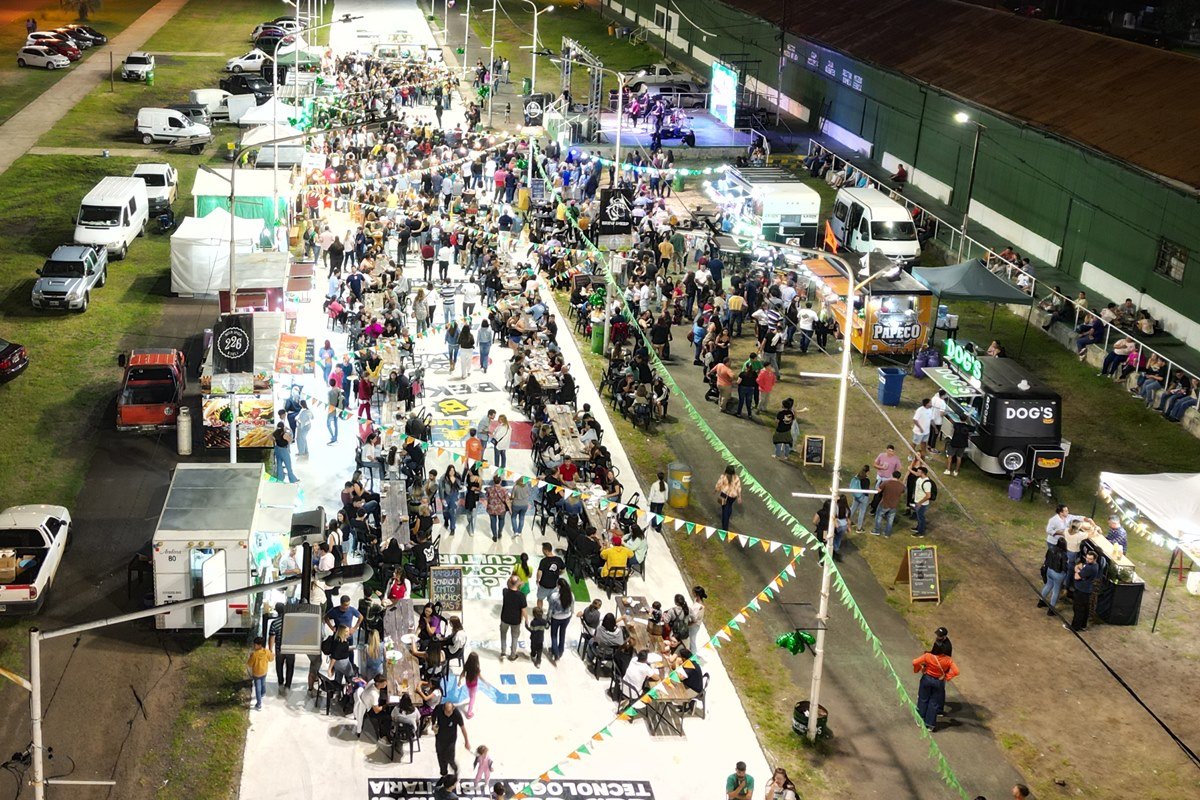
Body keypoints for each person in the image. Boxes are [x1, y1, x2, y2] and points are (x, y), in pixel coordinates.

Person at [913, 640, 958, 731]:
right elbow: (956, 671)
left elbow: (915, 662)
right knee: (934, 703)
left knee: (923, 699)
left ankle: (920, 718)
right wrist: (947, 677)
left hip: (927, 679)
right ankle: (930, 724)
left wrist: (918, 669)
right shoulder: (948, 660)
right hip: (938, 681)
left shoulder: (928, 656)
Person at [434, 700, 471, 777]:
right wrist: (434, 724)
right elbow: (433, 716)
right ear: (443, 709)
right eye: (446, 712)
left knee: (450, 757)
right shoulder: (438, 708)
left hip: (451, 739)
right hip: (440, 738)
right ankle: (443, 774)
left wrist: (467, 742)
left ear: (453, 709)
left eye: (450, 712)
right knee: (440, 757)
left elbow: (463, 728)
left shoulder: (456, 714)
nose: (448, 714)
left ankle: (455, 769)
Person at [1067, 549, 1099, 632]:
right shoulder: (1094, 565)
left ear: (1095, 559)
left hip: (1082, 591)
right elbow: (1082, 566)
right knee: (1085, 609)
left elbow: (1076, 576)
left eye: (1090, 559)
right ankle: (1083, 625)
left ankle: (1075, 627)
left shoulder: (1090, 568)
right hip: (1086, 590)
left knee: (1078, 609)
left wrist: (1077, 570)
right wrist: (1080, 570)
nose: (1087, 560)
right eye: (1087, 558)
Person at [499, 574, 527, 660]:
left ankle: (503, 652)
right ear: (518, 583)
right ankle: (513, 655)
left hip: (505, 618)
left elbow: (508, 585)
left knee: (503, 635)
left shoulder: (505, 592)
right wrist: (526, 620)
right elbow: (523, 610)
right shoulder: (521, 596)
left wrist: (512, 581)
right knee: (515, 637)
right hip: (516, 620)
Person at [1038, 537, 1069, 615]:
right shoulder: (1064, 554)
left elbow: (1047, 558)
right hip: (1058, 574)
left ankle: (1041, 601)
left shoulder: (1051, 548)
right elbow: (1064, 567)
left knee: (1048, 585)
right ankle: (1051, 610)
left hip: (1050, 570)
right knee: (1056, 591)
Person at [267, 603, 294, 692]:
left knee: (279, 666)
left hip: (279, 649)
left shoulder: (274, 623)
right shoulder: (291, 622)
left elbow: (272, 637)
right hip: (291, 649)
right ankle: (288, 685)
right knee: (290, 667)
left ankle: (280, 683)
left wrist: (270, 650)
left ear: (276, 610)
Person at [547, 578, 573, 663]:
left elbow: (550, 609)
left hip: (556, 618)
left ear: (559, 586)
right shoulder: (571, 595)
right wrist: (570, 616)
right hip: (566, 617)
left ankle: (556, 653)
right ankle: (560, 651)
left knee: (554, 635)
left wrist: (548, 618)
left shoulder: (554, 596)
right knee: (562, 634)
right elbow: (572, 608)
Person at [871, 470, 905, 537]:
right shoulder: (901, 486)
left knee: (879, 516)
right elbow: (903, 491)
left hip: (884, 503)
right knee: (890, 520)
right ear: (899, 477)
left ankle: (877, 530)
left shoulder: (886, 482)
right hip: (894, 505)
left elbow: (878, 490)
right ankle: (887, 533)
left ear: (892, 475)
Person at [534, 541, 565, 609]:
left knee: (540, 599)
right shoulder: (559, 559)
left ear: (546, 550)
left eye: (543, 550)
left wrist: (537, 580)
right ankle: (550, 613)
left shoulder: (544, 561)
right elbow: (563, 570)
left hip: (544, 585)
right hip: (554, 585)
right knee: (552, 601)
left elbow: (539, 572)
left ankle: (539, 611)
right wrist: (558, 573)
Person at [714, 466, 743, 531]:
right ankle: (727, 519)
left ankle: (725, 527)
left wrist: (716, 490)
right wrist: (739, 497)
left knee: (724, 510)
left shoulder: (723, 476)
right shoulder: (736, 477)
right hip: (733, 496)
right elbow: (738, 488)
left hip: (724, 494)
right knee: (729, 506)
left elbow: (719, 485)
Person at [247, 636, 271, 711]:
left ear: (259, 645)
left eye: (255, 644)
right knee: (263, 683)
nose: (254, 646)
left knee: (258, 688)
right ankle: (263, 693)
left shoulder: (254, 654)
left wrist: (250, 657)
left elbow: (249, 664)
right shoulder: (267, 651)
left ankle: (259, 704)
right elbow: (271, 659)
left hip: (256, 674)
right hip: (264, 672)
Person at [911, 466, 934, 537]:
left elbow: (928, 496)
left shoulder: (927, 483)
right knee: (918, 517)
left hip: (922, 504)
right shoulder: (919, 479)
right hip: (917, 501)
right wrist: (914, 495)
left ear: (923, 473)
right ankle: (918, 528)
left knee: (921, 518)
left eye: (918, 472)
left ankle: (921, 533)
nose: (917, 473)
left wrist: (920, 502)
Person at [849, 465, 871, 532]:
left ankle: (847, 521)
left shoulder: (857, 476)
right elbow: (866, 490)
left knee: (852, 508)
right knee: (862, 512)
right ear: (868, 471)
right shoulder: (866, 480)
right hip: (863, 497)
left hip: (856, 496)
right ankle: (859, 528)